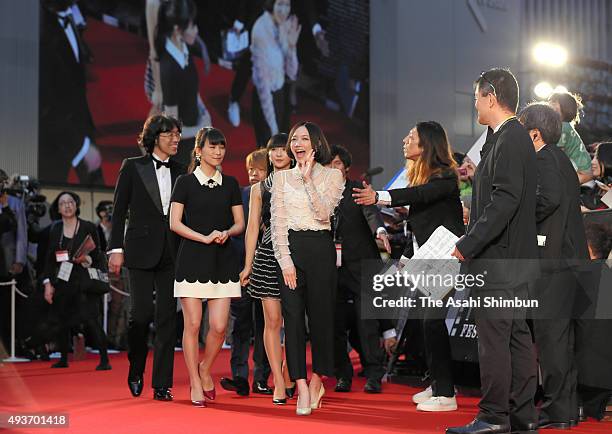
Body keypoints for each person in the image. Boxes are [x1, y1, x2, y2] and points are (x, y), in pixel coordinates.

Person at [448, 68, 540, 434]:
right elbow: (500, 195)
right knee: (516, 336)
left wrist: (467, 244)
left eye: (476, 97)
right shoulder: (502, 138)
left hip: (501, 260)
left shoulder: (511, 137)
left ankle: (493, 416)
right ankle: (520, 415)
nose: (474, 104)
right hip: (510, 259)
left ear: (491, 97)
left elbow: (505, 201)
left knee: (496, 340)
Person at [353, 122, 463, 411]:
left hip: (444, 258)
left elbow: (419, 196)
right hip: (425, 259)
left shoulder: (445, 177)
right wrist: (403, 259)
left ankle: (447, 394)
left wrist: (380, 196)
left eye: (411, 137)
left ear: (426, 144)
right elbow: (418, 223)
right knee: (425, 324)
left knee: (432, 322)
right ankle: (437, 384)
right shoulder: (425, 177)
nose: (405, 140)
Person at [518, 102, 590, 429]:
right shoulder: (561, 159)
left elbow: (546, 200)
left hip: (553, 264)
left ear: (534, 133)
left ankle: (557, 412)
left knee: (552, 341)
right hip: (569, 262)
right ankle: (567, 410)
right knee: (563, 340)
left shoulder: (544, 158)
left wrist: (516, 215)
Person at [108, 114, 186, 402]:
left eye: (178, 134)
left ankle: (162, 383)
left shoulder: (182, 170)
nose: (176, 139)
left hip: (172, 252)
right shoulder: (132, 167)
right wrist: (115, 249)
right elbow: (118, 212)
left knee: (167, 318)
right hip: (139, 249)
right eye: (170, 134)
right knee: (139, 315)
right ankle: (136, 367)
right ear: (155, 137)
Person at [271, 121, 344, 415]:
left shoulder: (332, 175)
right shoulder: (280, 178)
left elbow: (324, 212)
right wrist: (285, 261)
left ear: (316, 143)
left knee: (322, 319)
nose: (297, 144)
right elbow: (277, 225)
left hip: (321, 250)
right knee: (293, 321)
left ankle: (317, 379)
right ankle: (300, 384)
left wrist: (308, 180)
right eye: (293, 139)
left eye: (303, 138)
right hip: (290, 251)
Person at [169, 127, 245, 407]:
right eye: (212, 147)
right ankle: (193, 381)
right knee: (192, 323)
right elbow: (174, 223)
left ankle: (204, 369)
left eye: (221, 147)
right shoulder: (185, 183)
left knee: (219, 326)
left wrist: (227, 232)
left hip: (222, 260)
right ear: (199, 151)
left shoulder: (231, 184)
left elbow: (240, 223)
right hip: (191, 257)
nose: (218, 152)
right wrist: (202, 237)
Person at [327, 144, 395, 395]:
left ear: (345, 167)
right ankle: (342, 375)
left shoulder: (356, 189)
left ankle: (374, 374)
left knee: (366, 323)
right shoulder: (319, 192)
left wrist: (380, 231)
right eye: (327, 164)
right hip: (331, 269)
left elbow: (371, 214)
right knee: (335, 325)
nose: (330, 169)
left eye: (335, 164)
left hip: (360, 265)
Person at [240, 133, 294, 404]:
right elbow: (251, 229)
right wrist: (248, 264)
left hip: (298, 259)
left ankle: (289, 372)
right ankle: (277, 382)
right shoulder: (259, 189)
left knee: (295, 323)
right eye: (274, 149)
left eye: (284, 149)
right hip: (267, 259)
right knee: (272, 322)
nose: (278, 153)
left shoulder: (303, 181)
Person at [221, 148, 273, 397]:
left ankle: (261, 378)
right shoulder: (239, 195)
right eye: (250, 168)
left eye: (259, 168)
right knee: (239, 326)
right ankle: (239, 377)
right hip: (240, 269)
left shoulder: (279, 195)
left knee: (265, 326)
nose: (253, 173)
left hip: (269, 270)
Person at [41, 191, 111, 370]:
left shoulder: (87, 226)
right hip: (63, 280)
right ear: (58, 208)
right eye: (63, 203)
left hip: (84, 280)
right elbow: (49, 258)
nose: (67, 205)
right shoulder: (55, 229)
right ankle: (64, 358)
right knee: (62, 320)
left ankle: (104, 359)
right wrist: (48, 284)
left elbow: (97, 254)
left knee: (91, 319)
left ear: (76, 205)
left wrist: (86, 260)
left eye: (70, 202)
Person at [39, 0, 103, 185]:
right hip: (55, 139)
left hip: (80, 128)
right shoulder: (42, 32)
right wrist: (81, 147)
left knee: (103, 203)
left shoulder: (69, 15)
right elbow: (45, 105)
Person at [155, 0, 211, 166]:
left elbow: (193, 90)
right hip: (182, 155)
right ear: (177, 30)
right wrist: (201, 129)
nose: (196, 30)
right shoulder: (170, 69)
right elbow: (171, 132)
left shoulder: (184, 49)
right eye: (192, 26)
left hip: (195, 141)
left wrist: (203, 110)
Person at [251, 0, 301, 148]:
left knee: (284, 155)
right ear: (271, 4)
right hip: (264, 99)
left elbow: (292, 73)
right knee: (267, 154)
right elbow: (263, 89)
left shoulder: (287, 24)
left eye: (287, 5)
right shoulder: (260, 29)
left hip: (281, 96)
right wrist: (273, 129)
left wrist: (292, 46)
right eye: (280, 4)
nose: (283, 10)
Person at [548, 91, 592, 184]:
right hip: (582, 171)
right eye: (550, 101)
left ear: (565, 107)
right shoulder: (566, 126)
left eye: (554, 102)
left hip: (582, 172)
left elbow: (556, 153)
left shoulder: (563, 127)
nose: (549, 104)